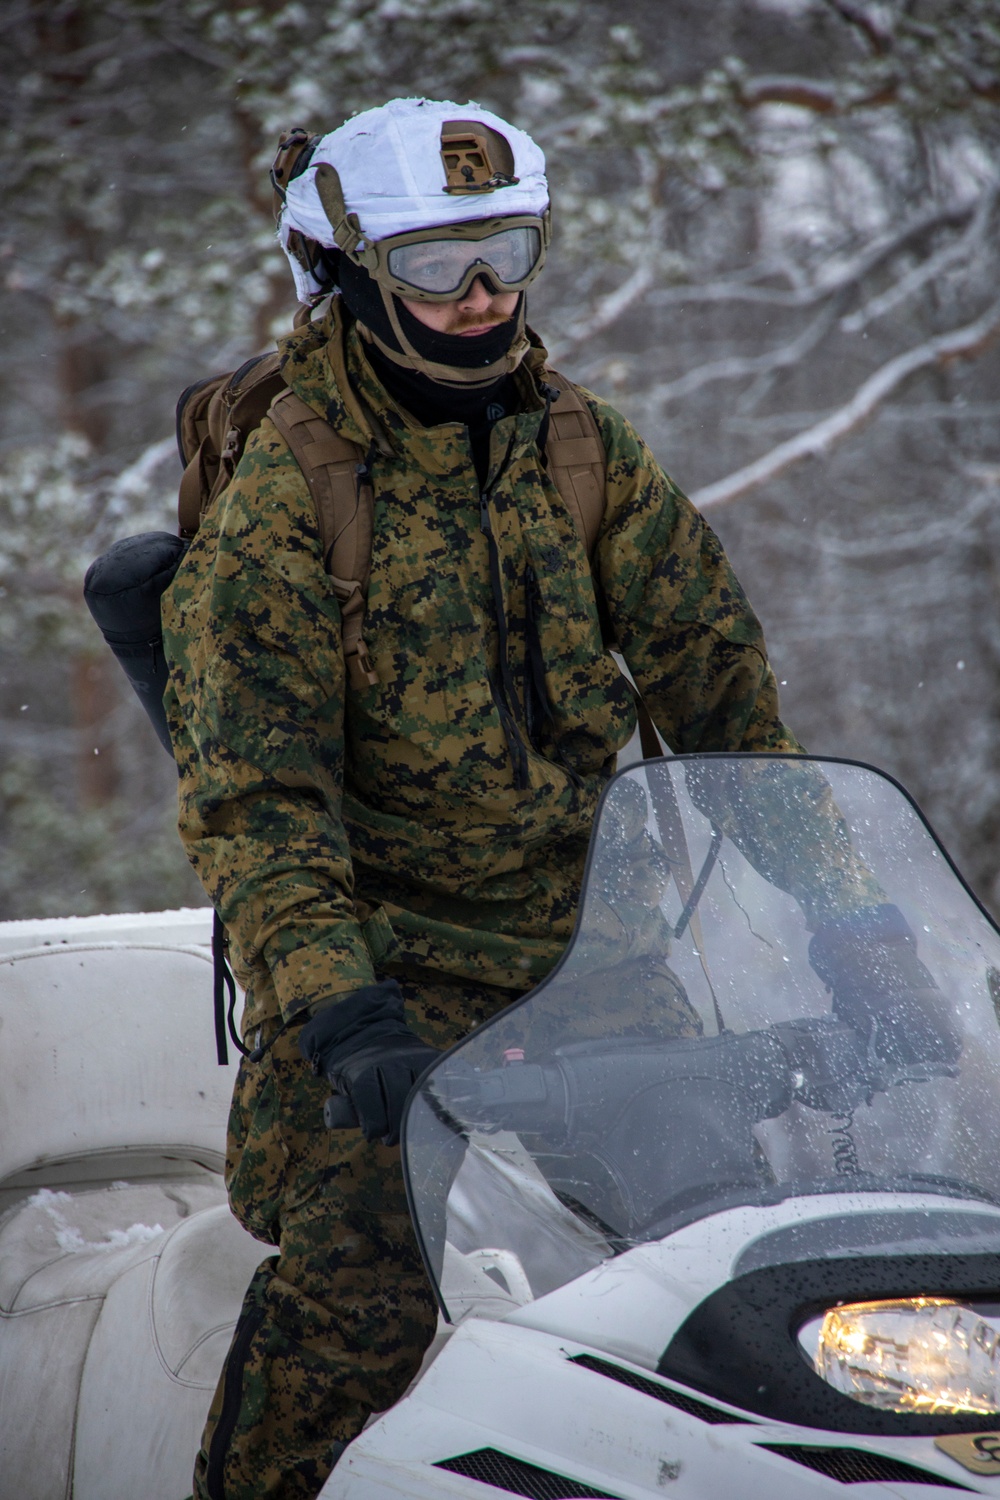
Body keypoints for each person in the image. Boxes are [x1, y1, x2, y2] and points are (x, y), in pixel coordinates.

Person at [161, 97, 931, 1500]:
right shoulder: (290, 498)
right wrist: (341, 1013)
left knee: (736, 1281)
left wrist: (860, 935)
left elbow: (728, 705)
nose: (481, 298)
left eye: (507, 253)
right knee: (364, 1296)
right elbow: (253, 796)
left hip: (600, 969)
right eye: (434, 266)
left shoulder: (582, 450)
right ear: (341, 274)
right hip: (382, 997)